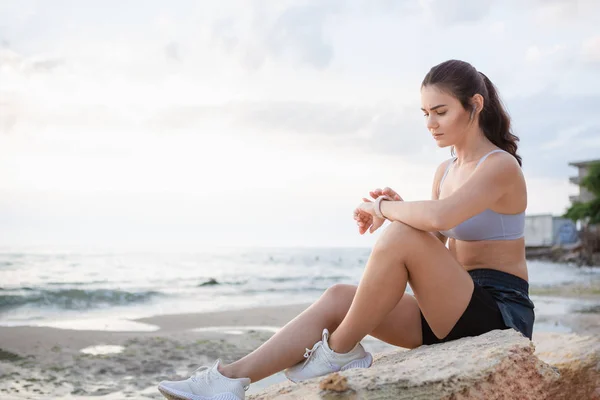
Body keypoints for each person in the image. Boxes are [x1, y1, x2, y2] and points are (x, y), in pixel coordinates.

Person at [157, 59, 535, 400]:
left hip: (500, 315)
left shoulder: (499, 166)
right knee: (339, 296)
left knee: (401, 233)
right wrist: (402, 210)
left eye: (441, 112)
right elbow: (439, 239)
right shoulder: (446, 170)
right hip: (450, 309)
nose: (430, 124)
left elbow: (440, 217)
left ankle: (338, 352)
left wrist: (386, 209)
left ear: (475, 105)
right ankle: (230, 379)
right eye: (424, 113)